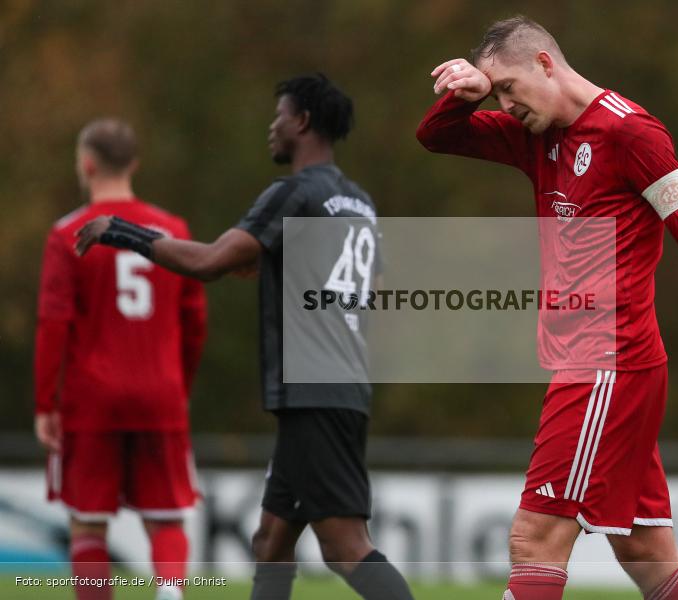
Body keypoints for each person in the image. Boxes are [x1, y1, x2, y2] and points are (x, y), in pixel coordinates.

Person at [416, 16, 678, 600]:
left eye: (509, 88)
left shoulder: (632, 134)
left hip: (607, 364)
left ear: (546, 63)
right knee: (646, 551)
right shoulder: (536, 134)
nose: (506, 103)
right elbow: (435, 137)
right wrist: (463, 95)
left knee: (535, 538)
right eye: (496, 94)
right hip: (596, 368)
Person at [75, 74, 414, 600]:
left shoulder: (294, 192)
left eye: (279, 115)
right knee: (271, 540)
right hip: (337, 385)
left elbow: (209, 262)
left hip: (313, 394)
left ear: (301, 122)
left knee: (346, 548)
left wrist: (123, 233)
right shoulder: (359, 203)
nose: (271, 126)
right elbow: (370, 287)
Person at [34, 118, 208, 600]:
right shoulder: (174, 230)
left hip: (92, 398)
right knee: (166, 516)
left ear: (86, 165)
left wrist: (45, 403)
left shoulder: (68, 233)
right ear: (134, 164)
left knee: (87, 523)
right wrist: (179, 386)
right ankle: (170, 593)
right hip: (161, 393)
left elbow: (53, 324)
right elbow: (194, 321)